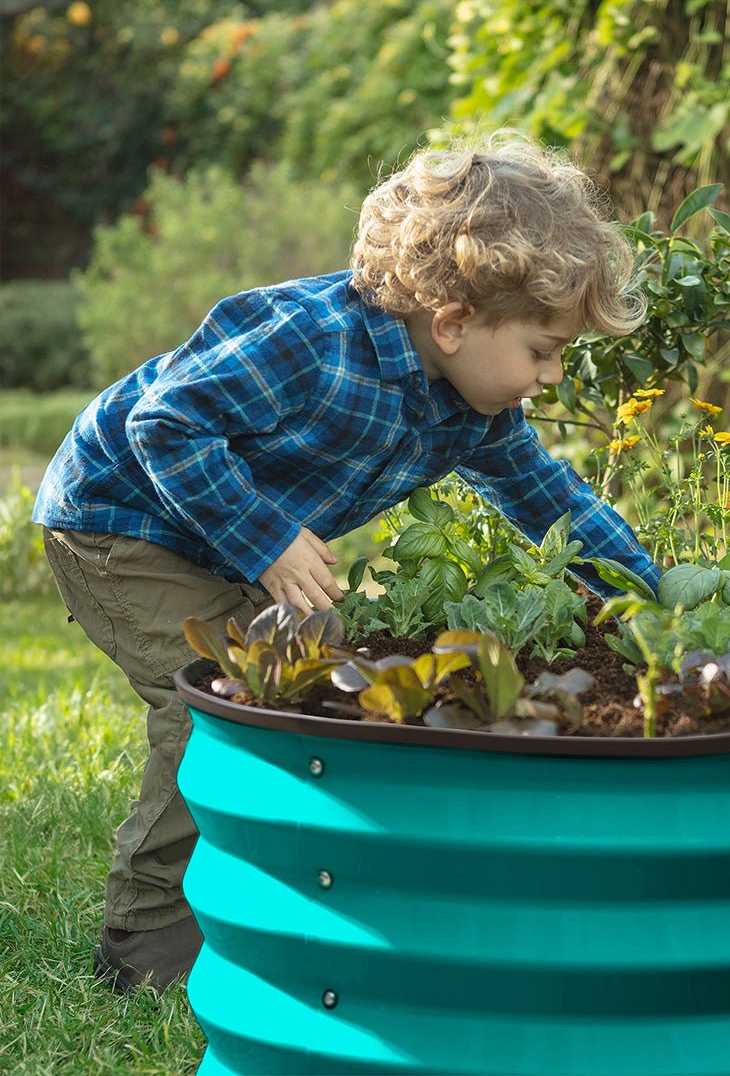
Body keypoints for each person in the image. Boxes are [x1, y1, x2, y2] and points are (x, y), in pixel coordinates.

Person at [32, 131, 661, 994]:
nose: (549, 378)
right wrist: (266, 540)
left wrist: (650, 595)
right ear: (453, 323)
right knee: (220, 702)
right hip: (118, 518)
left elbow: (551, 502)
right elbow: (165, 427)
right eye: (543, 351)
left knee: (311, 665)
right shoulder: (311, 340)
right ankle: (144, 950)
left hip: (213, 525)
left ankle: (274, 889)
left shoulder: (471, 409)